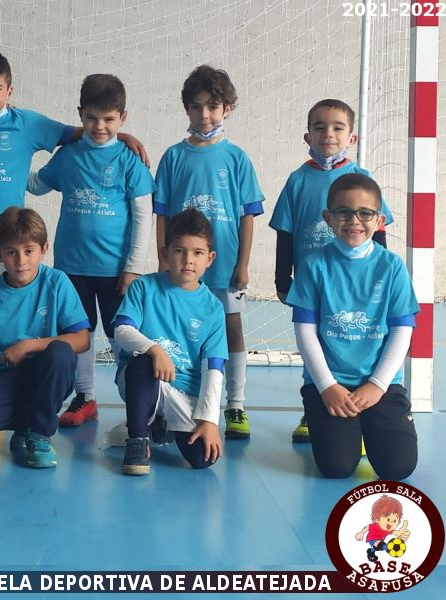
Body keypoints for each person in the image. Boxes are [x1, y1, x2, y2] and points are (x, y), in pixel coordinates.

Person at [0, 49, 146, 403]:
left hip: (10, 241)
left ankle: (32, 383)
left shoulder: (28, 124)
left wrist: (122, 136)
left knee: (25, 312)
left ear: (9, 90)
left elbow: (80, 132)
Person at [26, 73, 155, 428]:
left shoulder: (129, 159)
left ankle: (137, 401)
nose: (100, 126)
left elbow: (144, 215)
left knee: (121, 335)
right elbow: (36, 185)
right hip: (72, 266)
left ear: (122, 118)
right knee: (80, 332)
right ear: (80, 115)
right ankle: (85, 397)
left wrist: (133, 267)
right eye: (92, 118)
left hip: (116, 270)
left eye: (109, 119)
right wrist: (9, 162)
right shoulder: (69, 155)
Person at [269, 99, 394, 443]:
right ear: (307, 136)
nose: (329, 134)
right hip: (315, 284)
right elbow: (286, 231)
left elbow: (379, 233)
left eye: (338, 127)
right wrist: (283, 280)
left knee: (353, 344)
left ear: (351, 137)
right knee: (315, 346)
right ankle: (315, 413)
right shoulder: (297, 180)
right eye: (320, 127)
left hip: (356, 285)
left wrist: (378, 279)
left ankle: (366, 408)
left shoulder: (362, 179)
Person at [153, 65, 263, 439]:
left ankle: (235, 405)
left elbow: (249, 214)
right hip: (184, 263)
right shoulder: (173, 156)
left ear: (227, 108)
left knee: (231, 328)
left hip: (225, 263)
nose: (205, 115)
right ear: (186, 109)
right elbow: (162, 212)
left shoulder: (237, 158)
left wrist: (244, 263)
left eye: (213, 106)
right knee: (182, 328)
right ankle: (183, 399)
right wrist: (163, 254)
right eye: (197, 107)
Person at [286, 173, 418, 480]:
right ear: (328, 218)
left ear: (379, 219)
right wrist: (326, 386)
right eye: (343, 212)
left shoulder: (392, 266)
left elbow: (402, 330)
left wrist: (378, 385)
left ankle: (371, 423)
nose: (354, 220)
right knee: (337, 467)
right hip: (332, 385)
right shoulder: (314, 266)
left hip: (379, 384)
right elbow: (305, 331)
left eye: (365, 213)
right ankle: (345, 426)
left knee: (398, 467)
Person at [0, 207, 90, 468]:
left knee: (61, 351)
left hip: (51, 372)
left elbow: (82, 340)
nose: (21, 261)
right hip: (8, 376)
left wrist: (30, 345)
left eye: (29, 251)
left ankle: (40, 434)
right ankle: (25, 424)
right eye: (11, 252)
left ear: (44, 249)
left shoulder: (57, 283)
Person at [113, 208, 227, 475]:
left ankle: (161, 426)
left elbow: (214, 369)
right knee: (144, 363)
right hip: (142, 378)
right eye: (179, 251)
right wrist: (155, 350)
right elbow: (122, 330)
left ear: (210, 258)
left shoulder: (213, 308)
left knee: (203, 458)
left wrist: (208, 420)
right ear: (165, 253)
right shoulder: (144, 288)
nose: (188, 260)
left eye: (197, 253)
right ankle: (138, 438)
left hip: (184, 390)